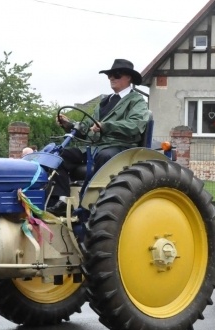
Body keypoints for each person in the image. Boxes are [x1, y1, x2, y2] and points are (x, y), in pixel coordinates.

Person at [49, 59, 150, 215]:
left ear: (128, 77)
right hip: (95, 147)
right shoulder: (105, 101)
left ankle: (92, 206)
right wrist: (69, 125)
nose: (111, 78)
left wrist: (106, 126)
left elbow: (135, 125)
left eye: (116, 74)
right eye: (109, 75)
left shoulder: (136, 101)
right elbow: (87, 127)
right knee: (60, 156)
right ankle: (61, 201)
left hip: (121, 147)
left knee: (105, 156)